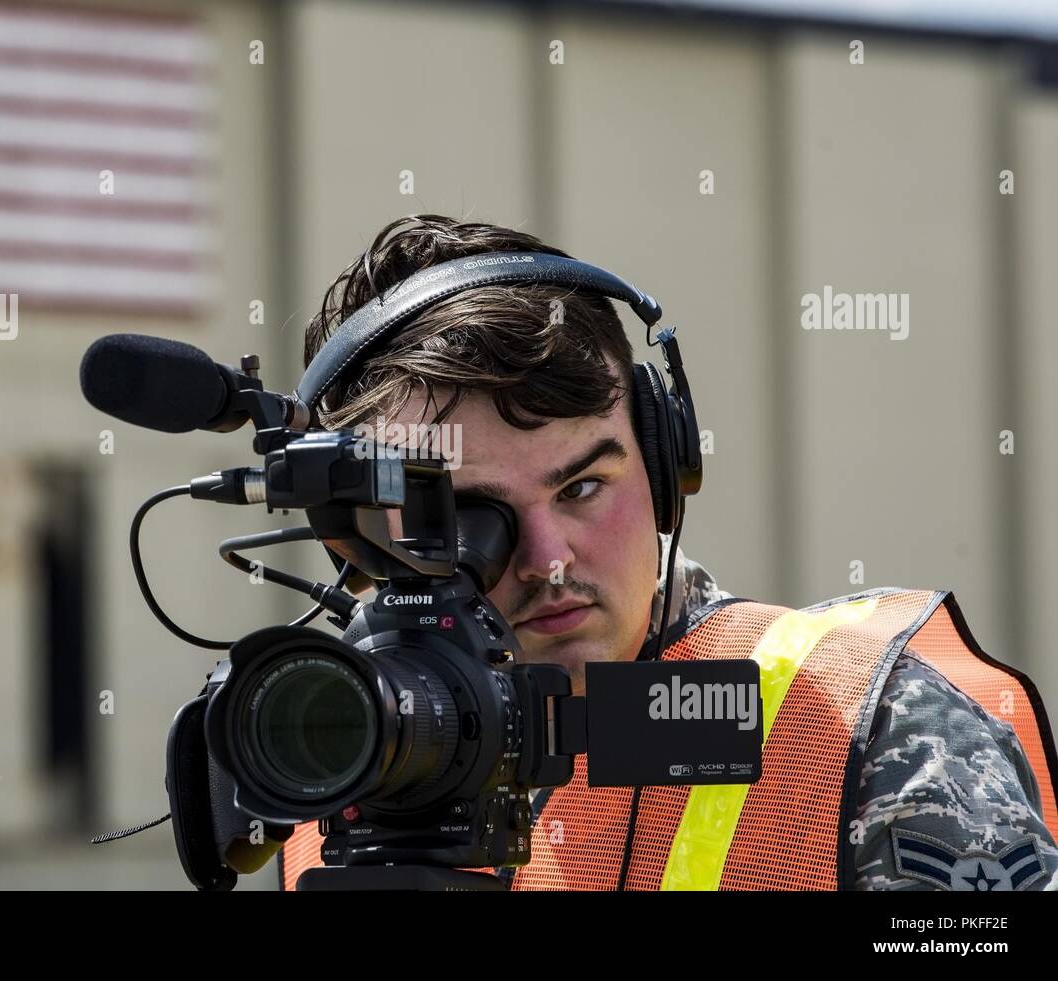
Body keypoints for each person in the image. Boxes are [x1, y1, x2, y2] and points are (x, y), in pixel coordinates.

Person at [279, 214, 1058, 891]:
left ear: (662, 462)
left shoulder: (862, 723)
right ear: (360, 539)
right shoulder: (335, 764)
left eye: (583, 487)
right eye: (471, 519)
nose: (548, 558)